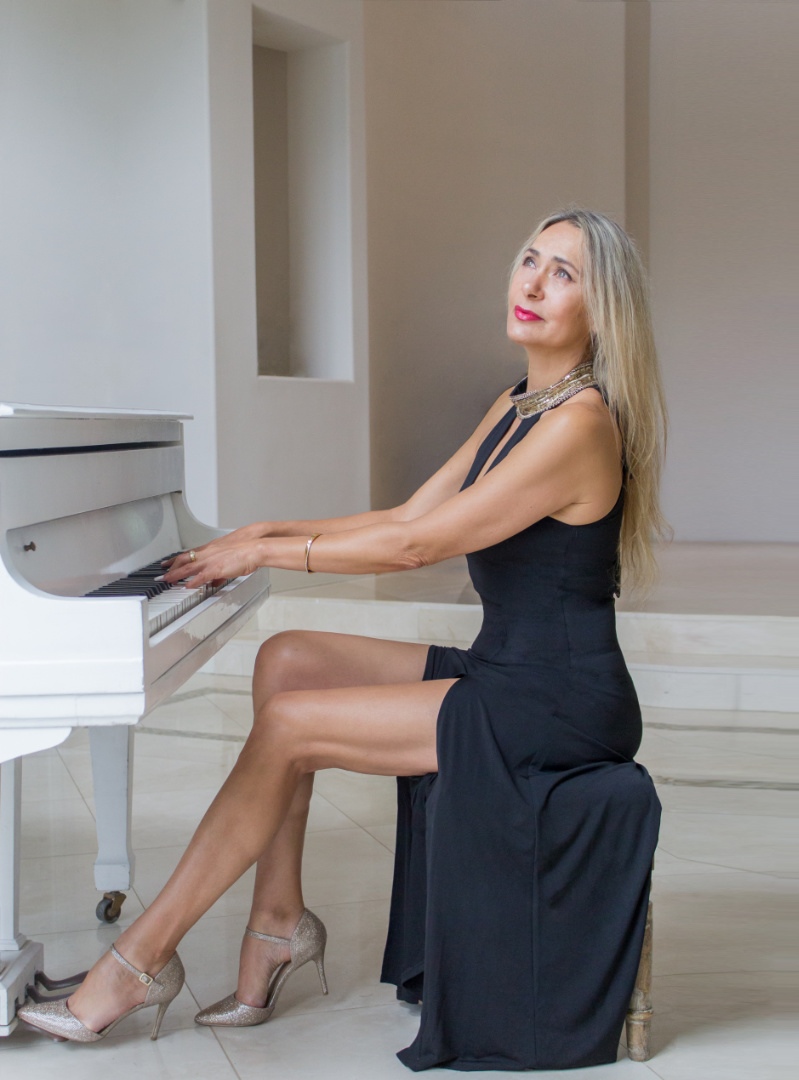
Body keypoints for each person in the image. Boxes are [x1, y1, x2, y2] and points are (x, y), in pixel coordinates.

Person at [18, 208, 666, 1070]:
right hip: (507, 667)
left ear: (600, 307)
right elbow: (405, 512)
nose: (533, 284)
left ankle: (137, 964)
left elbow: (415, 547)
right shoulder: (518, 403)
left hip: (560, 700)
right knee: (288, 661)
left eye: (564, 274)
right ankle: (278, 921)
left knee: (291, 727)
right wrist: (264, 530)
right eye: (529, 260)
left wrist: (265, 553)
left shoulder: (578, 424)